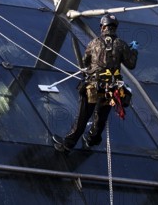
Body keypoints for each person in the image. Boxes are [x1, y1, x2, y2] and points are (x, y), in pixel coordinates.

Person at [53, 13, 138, 153]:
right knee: (101, 116)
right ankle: (93, 139)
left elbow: (84, 62)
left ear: (102, 27)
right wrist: (133, 51)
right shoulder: (121, 45)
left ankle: (68, 144)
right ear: (114, 28)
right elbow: (131, 64)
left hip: (92, 86)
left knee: (83, 116)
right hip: (111, 89)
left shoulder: (94, 43)